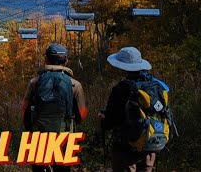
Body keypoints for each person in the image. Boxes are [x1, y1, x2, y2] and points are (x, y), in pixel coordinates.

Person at [98, 47, 169, 172]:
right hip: (150, 143)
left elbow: (111, 121)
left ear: (122, 67)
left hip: (126, 148)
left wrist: (103, 119)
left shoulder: (121, 88)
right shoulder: (155, 85)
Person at [22, 43, 88, 172]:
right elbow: (82, 113)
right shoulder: (74, 84)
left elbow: (25, 109)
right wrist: (72, 124)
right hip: (64, 136)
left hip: (39, 134)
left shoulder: (35, 82)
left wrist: (30, 128)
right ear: (66, 60)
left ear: (46, 59)